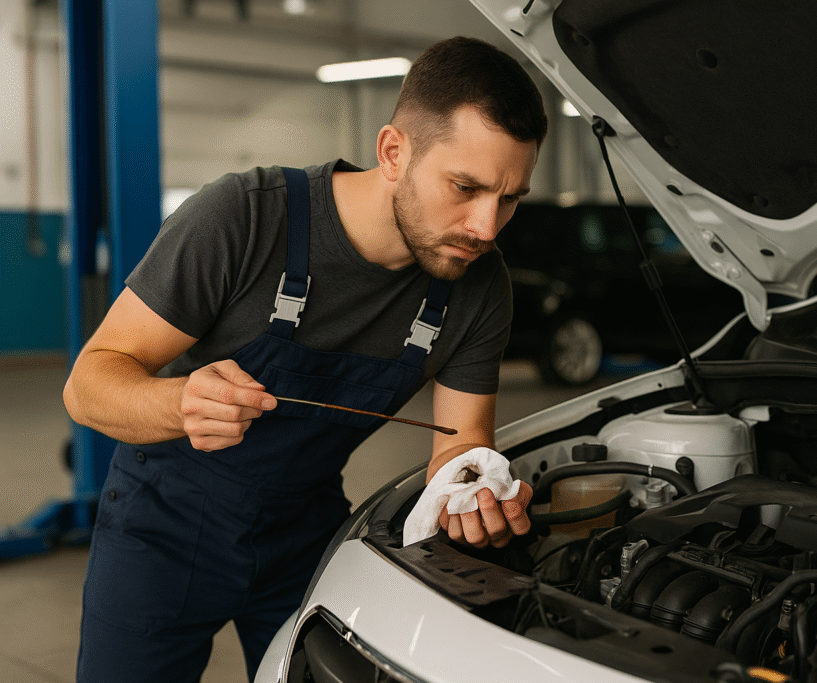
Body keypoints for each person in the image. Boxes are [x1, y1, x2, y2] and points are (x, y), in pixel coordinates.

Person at [63, 35, 547, 683]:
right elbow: (88, 384)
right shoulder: (242, 218)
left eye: (509, 198)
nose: (486, 228)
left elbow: (460, 449)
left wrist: (473, 496)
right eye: (465, 186)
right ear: (394, 152)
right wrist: (179, 401)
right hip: (162, 534)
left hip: (304, 535)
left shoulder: (480, 287)